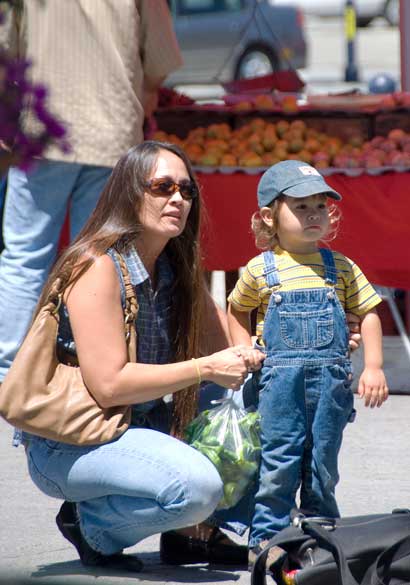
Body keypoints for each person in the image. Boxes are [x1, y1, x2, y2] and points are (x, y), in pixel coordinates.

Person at [14, 140, 266, 572]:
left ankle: (195, 534)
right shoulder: (97, 266)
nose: (177, 199)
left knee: (257, 397)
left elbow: (230, 350)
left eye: (187, 191)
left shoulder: (173, 267)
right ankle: (91, 523)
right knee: (195, 487)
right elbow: (109, 385)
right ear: (131, 193)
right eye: (162, 187)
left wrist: (314, 344)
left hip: (136, 425)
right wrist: (205, 367)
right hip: (74, 441)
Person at [0, 0, 183, 383]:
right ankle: (87, 361)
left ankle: (8, 369)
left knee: (24, 255)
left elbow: (6, 48)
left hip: (40, 129)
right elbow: (161, 58)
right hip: (111, 130)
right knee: (98, 258)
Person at [226, 160, 389, 567]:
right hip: (277, 387)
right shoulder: (259, 270)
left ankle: (321, 534)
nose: (314, 214)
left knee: (322, 465)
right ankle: (268, 539)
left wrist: (373, 366)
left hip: (330, 388)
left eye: (320, 205)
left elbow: (368, 311)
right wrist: (244, 349)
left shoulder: (341, 267)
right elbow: (236, 309)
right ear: (269, 216)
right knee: (279, 462)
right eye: (301, 207)